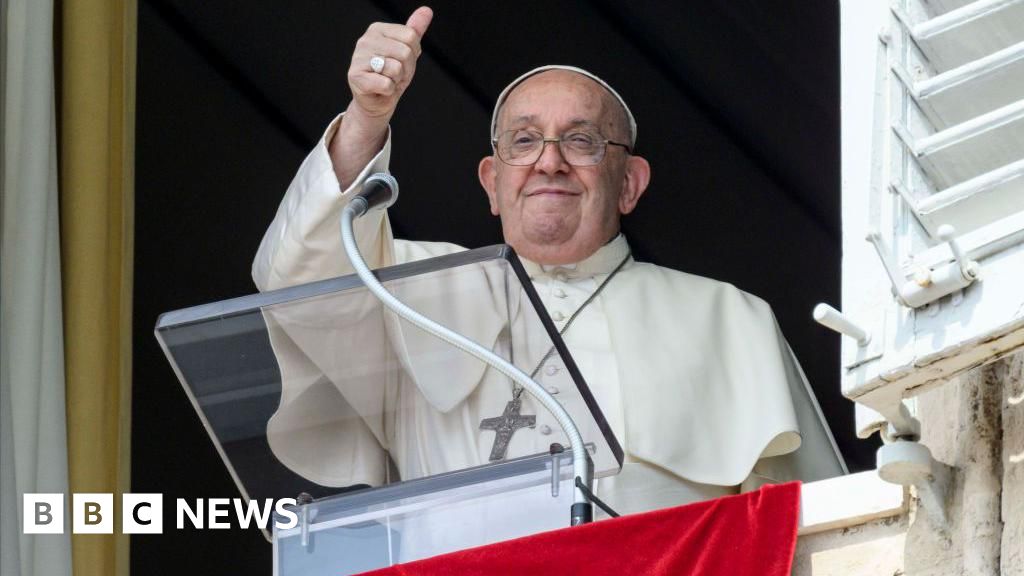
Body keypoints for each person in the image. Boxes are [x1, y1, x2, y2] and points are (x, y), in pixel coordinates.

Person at [252, 6, 845, 516]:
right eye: (524, 140)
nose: (550, 161)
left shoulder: (729, 319)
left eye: (582, 140)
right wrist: (366, 117)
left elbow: (810, 530)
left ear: (630, 184)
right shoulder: (413, 292)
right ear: (492, 182)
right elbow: (297, 276)